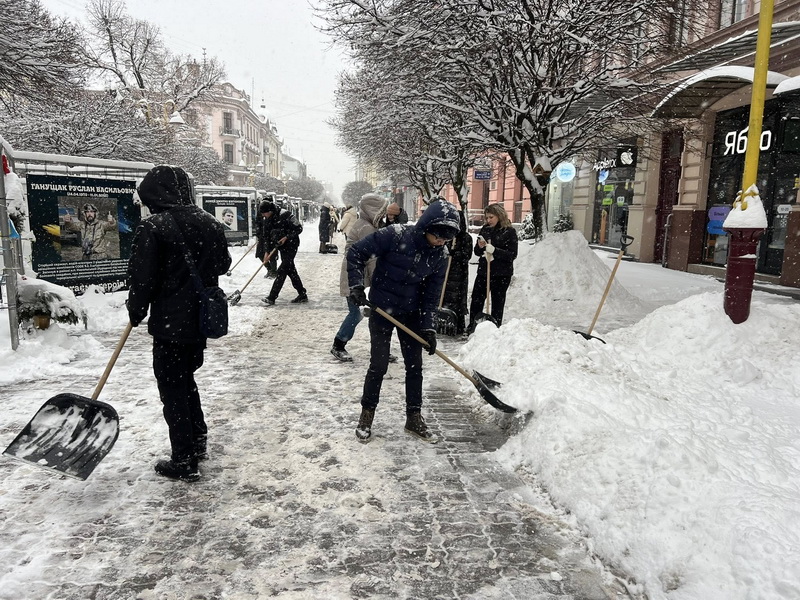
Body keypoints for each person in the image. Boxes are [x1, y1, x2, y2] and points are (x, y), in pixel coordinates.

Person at [126, 165, 232, 481]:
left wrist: (136, 310)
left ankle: (184, 458)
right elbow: (223, 264)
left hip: (170, 322)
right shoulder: (210, 222)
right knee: (186, 380)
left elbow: (142, 278)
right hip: (199, 320)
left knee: (173, 387)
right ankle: (196, 439)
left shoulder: (154, 227)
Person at [347, 199, 460, 443]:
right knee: (379, 365)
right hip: (382, 309)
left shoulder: (440, 255)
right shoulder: (394, 235)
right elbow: (356, 252)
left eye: (447, 238)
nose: (441, 242)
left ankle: (414, 417)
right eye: (438, 236)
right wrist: (356, 285)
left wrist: (428, 327)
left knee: (414, 366)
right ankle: (367, 415)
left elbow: (431, 295)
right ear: (426, 227)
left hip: (411, 314)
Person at [331, 193, 387, 361]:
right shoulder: (366, 228)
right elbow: (372, 259)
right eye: (381, 211)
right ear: (373, 210)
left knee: (374, 314)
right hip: (355, 277)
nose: (383, 214)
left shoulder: (368, 225)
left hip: (358, 276)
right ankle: (338, 345)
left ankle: (380, 348)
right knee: (356, 313)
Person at [467, 203, 518, 333]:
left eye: (491, 217)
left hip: (501, 274)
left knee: (497, 302)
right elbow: (477, 252)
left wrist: (495, 250)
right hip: (484, 271)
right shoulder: (485, 229)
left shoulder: (509, 232)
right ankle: (473, 326)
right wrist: (480, 247)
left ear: (499, 216)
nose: (488, 220)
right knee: (477, 299)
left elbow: (512, 254)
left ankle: (495, 328)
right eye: (487, 217)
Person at [261, 200, 308, 305]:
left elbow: (299, 228)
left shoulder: (285, 214)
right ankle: (302, 293)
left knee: (282, 270)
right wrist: (267, 252)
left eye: (265, 213)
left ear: (270, 211)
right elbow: (266, 236)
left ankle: (272, 297)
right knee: (290, 270)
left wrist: (286, 237)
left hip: (291, 245)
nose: (263, 215)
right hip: (281, 247)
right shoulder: (267, 219)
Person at [440, 209, 472, 335]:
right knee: (444, 297)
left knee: (456, 300)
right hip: (445, 272)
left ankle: (458, 325)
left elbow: (467, 256)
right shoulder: (446, 236)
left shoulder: (465, 238)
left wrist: (456, 254)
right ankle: (444, 321)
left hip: (458, 274)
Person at [255, 200, 279, 278]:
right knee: (260, 253)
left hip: (272, 237)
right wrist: (259, 233)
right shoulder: (261, 212)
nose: (262, 215)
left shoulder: (275, 215)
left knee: (272, 254)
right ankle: (269, 269)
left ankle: (274, 271)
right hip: (263, 236)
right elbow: (257, 222)